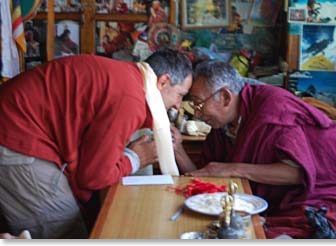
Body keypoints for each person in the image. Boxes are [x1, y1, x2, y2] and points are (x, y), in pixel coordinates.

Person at [0, 48, 193, 239]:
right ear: (163, 81)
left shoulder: (132, 79)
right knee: (66, 229)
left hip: (19, 128)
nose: (178, 105)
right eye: (180, 95)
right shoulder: (131, 98)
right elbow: (92, 177)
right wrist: (136, 158)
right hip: (14, 135)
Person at [172, 60, 336, 239]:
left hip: (325, 189)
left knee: (286, 229)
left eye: (198, 104)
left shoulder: (273, 109)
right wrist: (178, 149)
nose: (196, 113)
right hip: (279, 198)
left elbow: (297, 173)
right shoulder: (224, 125)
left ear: (225, 97)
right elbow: (206, 176)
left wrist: (233, 168)